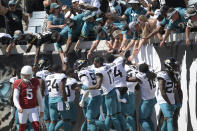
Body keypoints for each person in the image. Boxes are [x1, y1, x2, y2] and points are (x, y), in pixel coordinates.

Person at [81, 56, 122, 131]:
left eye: (95, 62)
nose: (94, 63)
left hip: (108, 93)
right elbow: (114, 63)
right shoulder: (107, 66)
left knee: (111, 116)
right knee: (111, 115)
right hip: (114, 90)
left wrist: (87, 88)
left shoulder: (99, 71)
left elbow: (98, 86)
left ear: (99, 63)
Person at [75, 59, 105, 131]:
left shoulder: (82, 72)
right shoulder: (91, 70)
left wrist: (82, 100)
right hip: (96, 96)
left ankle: (105, 127)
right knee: (88, 119)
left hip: (92, 97)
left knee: (90, 120)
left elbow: (87, 87)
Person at [13, 65, 44, 131]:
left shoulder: (35, 81)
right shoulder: (18, 82)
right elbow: (15, 97)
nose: (25, 77)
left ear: (31, 75)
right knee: (22, 127)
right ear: (21, 74)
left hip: (33, 108)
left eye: (27, 75)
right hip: (23, 108)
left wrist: (42, 110)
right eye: (24, 75)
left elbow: (39, 96)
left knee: (36, 126)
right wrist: (18, 107)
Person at [127, 63, 157, 131]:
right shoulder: (151, 73)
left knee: (142, 120)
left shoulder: (141, 76)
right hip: (153, 99)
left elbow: (129, 79)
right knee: (148, 118)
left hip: (146, 101)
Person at [156, 58, 182, 131]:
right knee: (170, 119)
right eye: (174, 65)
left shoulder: (175, 75)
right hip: (163, 100)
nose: (176, 67)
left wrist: (180, 101)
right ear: (169, 66)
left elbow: (179, 90)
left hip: (171, 100)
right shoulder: (162, 74)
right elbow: (162, 91)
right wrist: (169, 103)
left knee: (166, 119)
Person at [45, 64, 70, 131]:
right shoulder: (61, 76)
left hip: (51, 100)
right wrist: (66, 102)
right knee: (65, 119)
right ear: (59, 69)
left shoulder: (48, 76)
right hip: (59, 100)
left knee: (53, 121)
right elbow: (62, 89)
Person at [36, 58, 53, 131]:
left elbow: (41, 84)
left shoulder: (39, 73)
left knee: (46, 118)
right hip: (53, 95)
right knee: (53, 118)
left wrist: (40, 97)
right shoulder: (51, 73)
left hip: (45, 95)